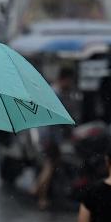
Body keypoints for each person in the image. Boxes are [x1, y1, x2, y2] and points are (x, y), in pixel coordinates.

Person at [33, 67, 76, 210]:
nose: (70, 84)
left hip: (49, 136)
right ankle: (41, 196)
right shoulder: (55, 93)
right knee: (49, 167)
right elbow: (50, 118)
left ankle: (37, 189)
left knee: (50, 165)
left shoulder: (53, 91)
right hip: (50, 137)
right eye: (70, 80)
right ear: (65, 79)